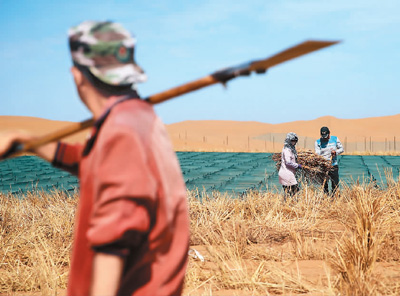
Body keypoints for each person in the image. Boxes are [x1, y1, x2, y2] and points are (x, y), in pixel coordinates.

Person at [0, 21, 189, 296]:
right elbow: (98, 163)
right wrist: (25, 140)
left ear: (77, 76)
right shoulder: (139, 117)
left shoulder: (121, 132)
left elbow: (115, 239)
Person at [314, 126, 344, 195]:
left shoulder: (335, 139)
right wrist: (323, 160)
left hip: (333, 165)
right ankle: (326, 198)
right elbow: (317, 153)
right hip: (323, 166)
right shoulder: (318, 142)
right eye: (323, 136)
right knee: (324, 184)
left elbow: (341, 149)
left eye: (326, 136)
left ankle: (334, 198)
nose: (325, 138)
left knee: (335, 184)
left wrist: (335, 152)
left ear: (329, 133)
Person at [278, 132, 306, 197]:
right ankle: (288, 205)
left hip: (289, 173)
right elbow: (288, 162)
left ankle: (288, 204)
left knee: (291, 193)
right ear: (288, 140)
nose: (294, 142)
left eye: (295, 141)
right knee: (294, 192)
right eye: (292, 141)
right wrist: (297, 165)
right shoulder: (287, 150)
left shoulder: (291, 149)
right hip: (286, 174)